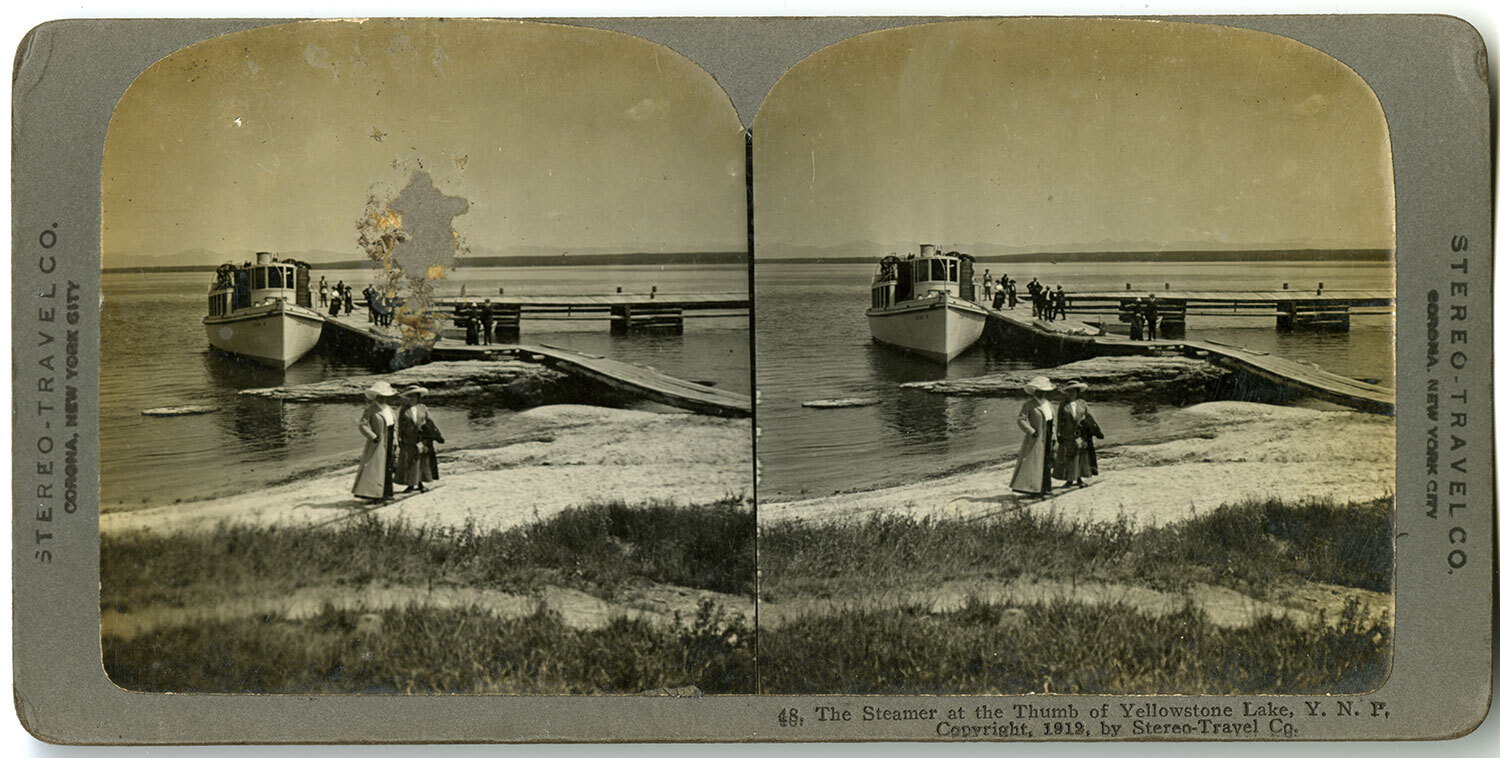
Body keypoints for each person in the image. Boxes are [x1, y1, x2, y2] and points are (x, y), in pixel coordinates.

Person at [1010, 376, 1056, 496]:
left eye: (1044, 390)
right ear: (1035, 390)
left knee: (1047, 462)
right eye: (1040, 390)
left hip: (1049, 435)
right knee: (1034, 463)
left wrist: (1054, 436)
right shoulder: (1029, 405)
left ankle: (1046, 488)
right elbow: (1021, 420)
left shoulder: (1048, 404)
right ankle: (1033, 489)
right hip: (1037, 437)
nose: (1042, 393)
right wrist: (1031, 431)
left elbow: (1052, 421)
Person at [352, 381, 398, 501]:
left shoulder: (390, 409)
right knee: (376, 468)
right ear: (376, 396)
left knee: (388, 467)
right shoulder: (371, 410)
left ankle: (387, 493)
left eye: (385, 396)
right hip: (378, 442)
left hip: (390, 441)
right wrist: (373, 436)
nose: (383, 398)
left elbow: (394, 425)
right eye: (381, 395)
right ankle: (375, 494)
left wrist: (395, 441)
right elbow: (362, 425)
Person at [394, 385, 443, 492]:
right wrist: (399, 440)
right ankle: (410, 485)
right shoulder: (403, 410)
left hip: (422, 438)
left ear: (418, 397)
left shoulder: (423, 408)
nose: (412, 398)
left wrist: (429, 436)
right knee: (410, 462)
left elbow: (430, 422)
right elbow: (399, 426)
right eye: (410, 396)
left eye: (414, 396)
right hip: (408, 439)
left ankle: (420, 484)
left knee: (422, 462)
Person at [1053, 381, 1102, 487]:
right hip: (1067, 434)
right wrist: (1058, 434)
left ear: (1077, 392)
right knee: (1069, 457)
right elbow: (1059, 420)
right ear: (1067, 393)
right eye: (1069, 391)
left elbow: (1089, 417)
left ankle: (1079, 479)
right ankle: (1069, 480)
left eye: (1074, 391)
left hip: (1081, 433)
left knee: (1081, 456)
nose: (1071, 393)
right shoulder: (1063, 404)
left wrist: (1087, 428)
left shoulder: (1082, 403)